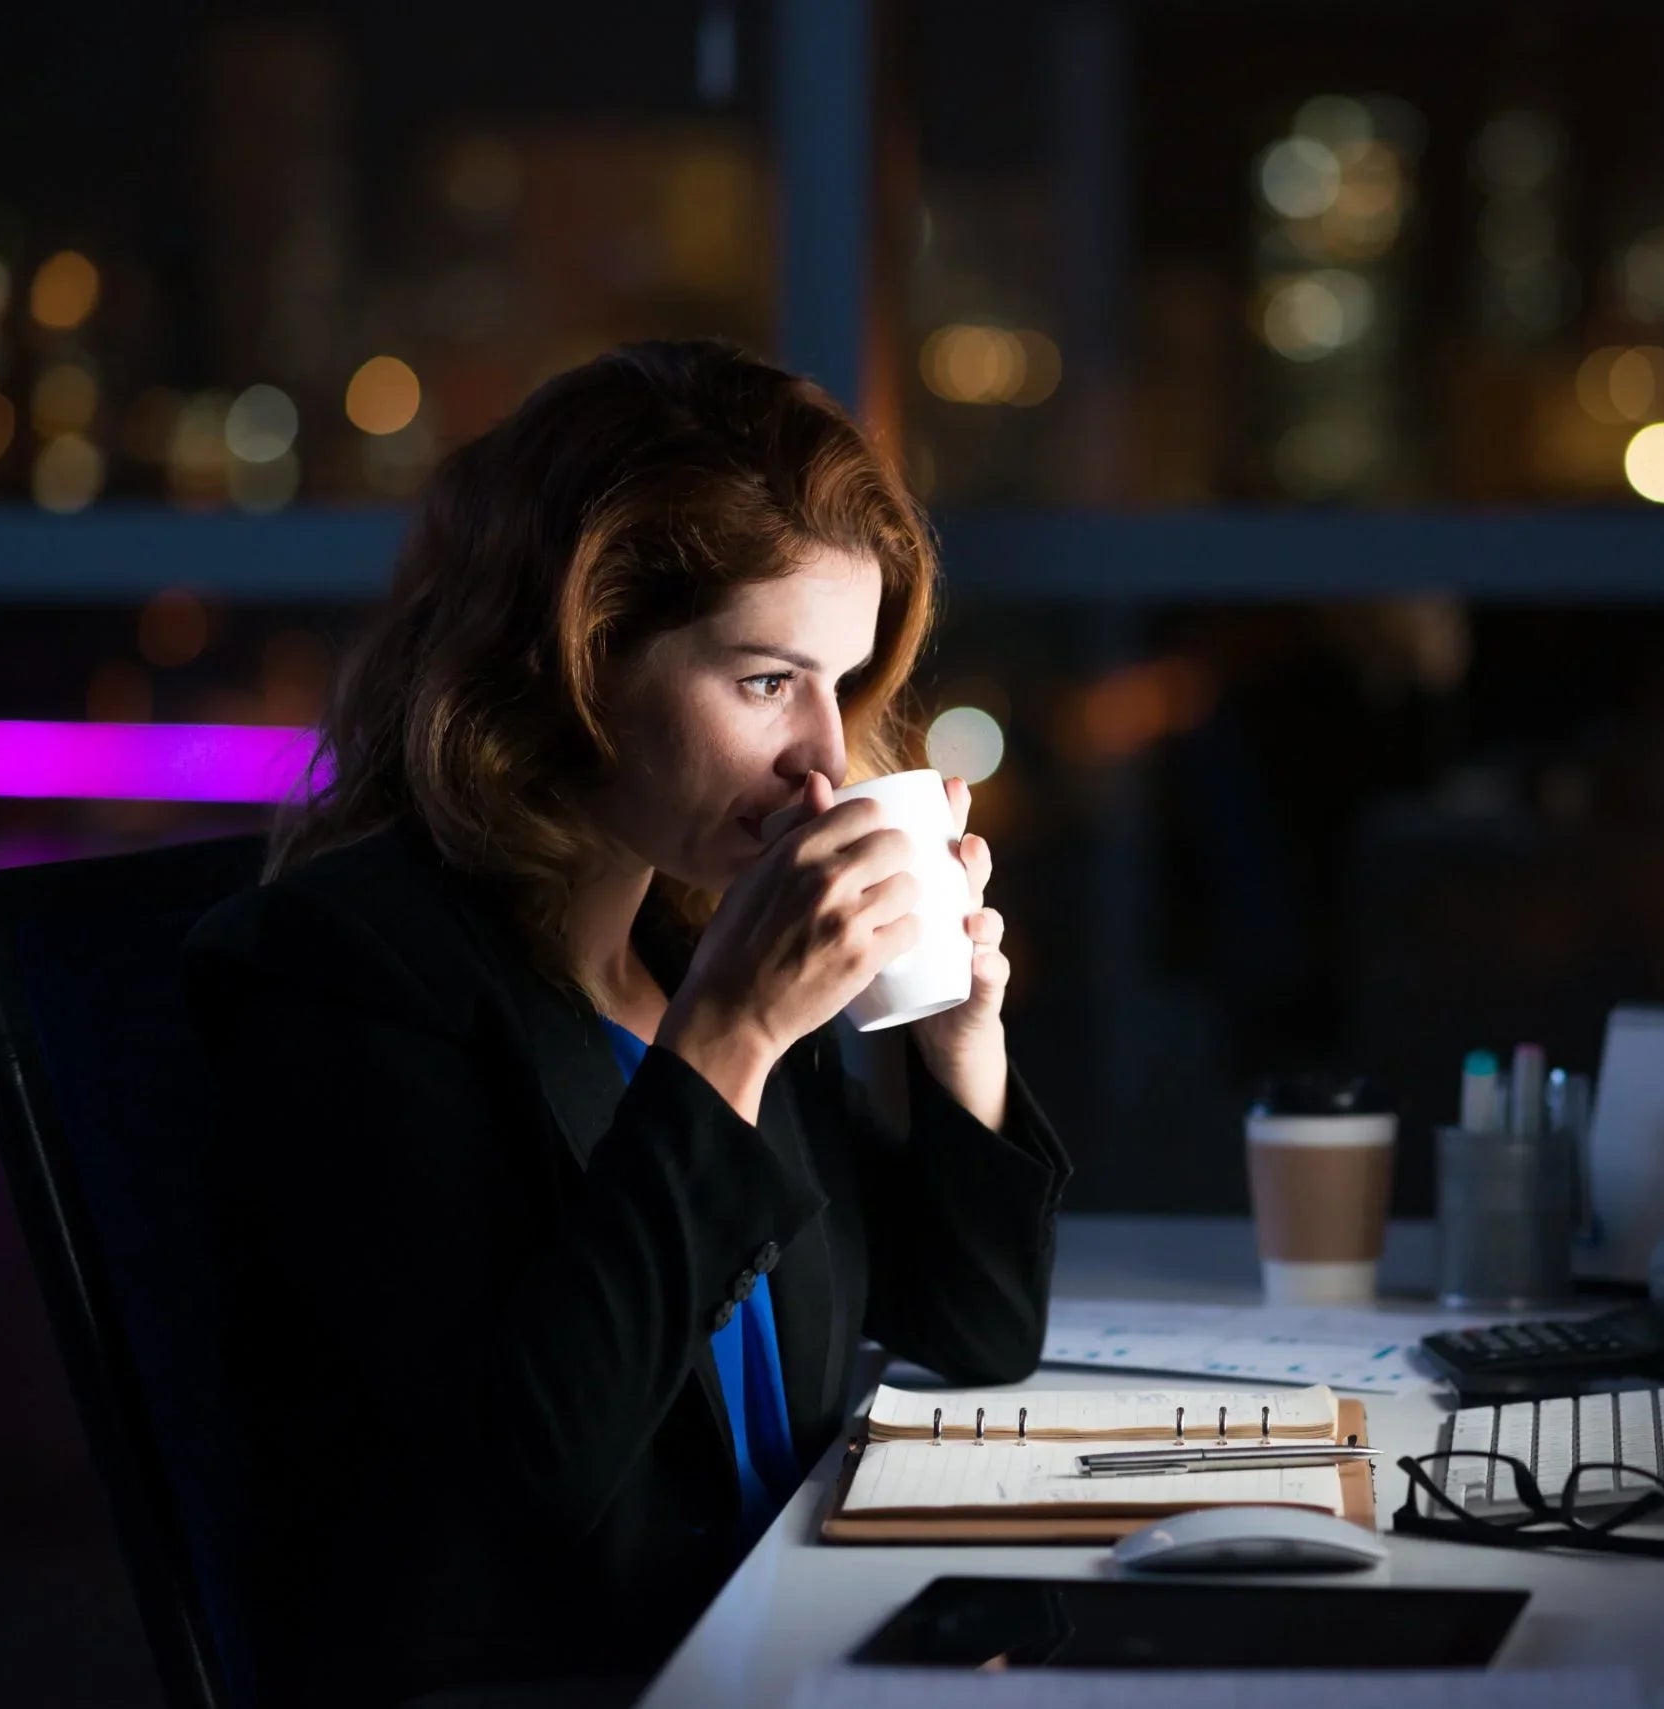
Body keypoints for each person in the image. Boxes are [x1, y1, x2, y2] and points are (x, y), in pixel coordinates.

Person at [184, 340, 1068, 1707]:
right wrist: (725, 1037)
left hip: (785, 1644)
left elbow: (978, 1326)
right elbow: (518, 1485)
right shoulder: (347, 968)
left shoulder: (684, 937)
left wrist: (957, 1041)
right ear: (580, 660)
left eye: (842, 683)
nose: (827, 758)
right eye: (767, 681)